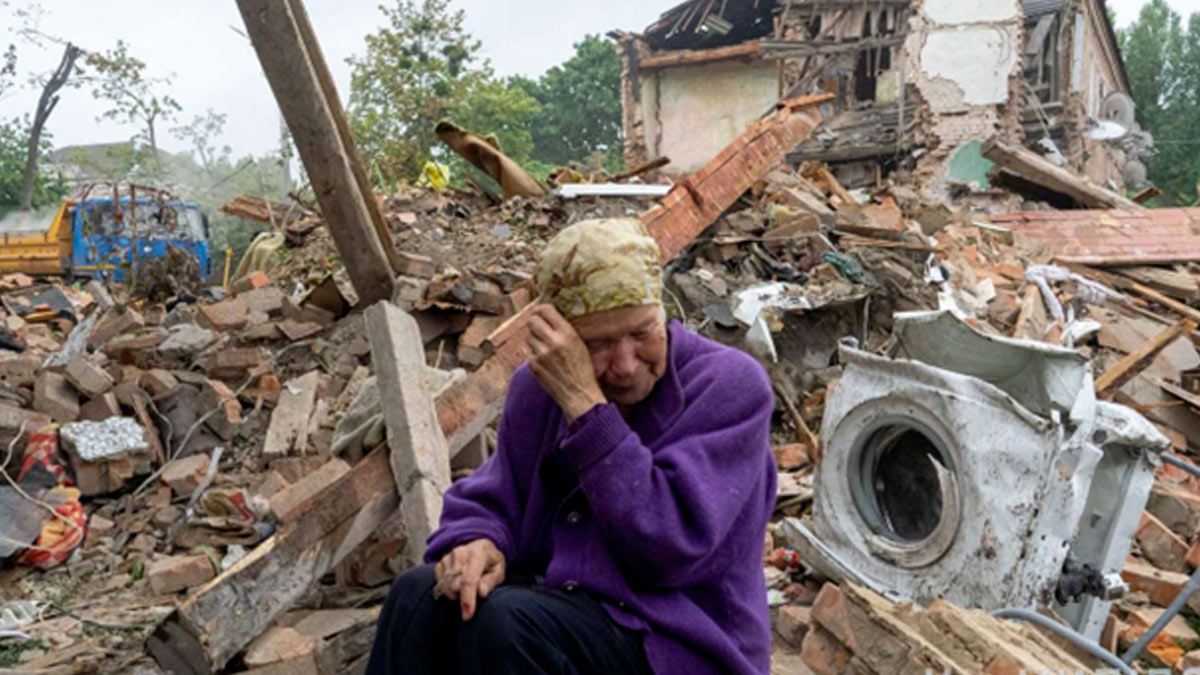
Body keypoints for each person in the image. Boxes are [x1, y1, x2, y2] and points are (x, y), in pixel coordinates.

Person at [366, 218, 776, 674]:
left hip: (675, 637)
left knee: (506, 625)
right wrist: (478, 540)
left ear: (662, 312)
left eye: (641, 332)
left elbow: (668, 548)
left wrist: (585, 405)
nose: (624, 365)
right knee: (418, 596)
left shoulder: (729, 386)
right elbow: (499, 491)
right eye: (596, 344)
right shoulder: (537, 387)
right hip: (568, 605)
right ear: (559, 337)